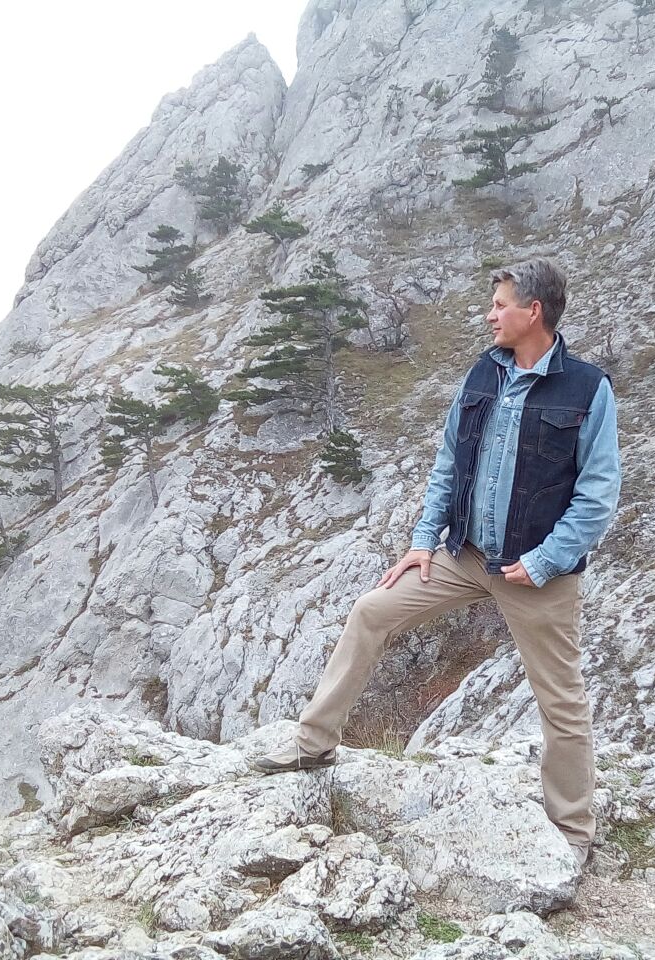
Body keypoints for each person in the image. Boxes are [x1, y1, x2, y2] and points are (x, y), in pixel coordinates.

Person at [251, 256, 621, 869]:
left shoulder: (587, 389)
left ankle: (574, 832)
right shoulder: (484, 372)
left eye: (499, 305)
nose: (489, 315)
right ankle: (314, 743)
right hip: (462, 555)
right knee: (372, 612)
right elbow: (449, 462)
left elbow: (598, 495)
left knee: (561, 700)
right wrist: (424, 540)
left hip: (535, 573)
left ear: (533, 312)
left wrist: (545, 560)